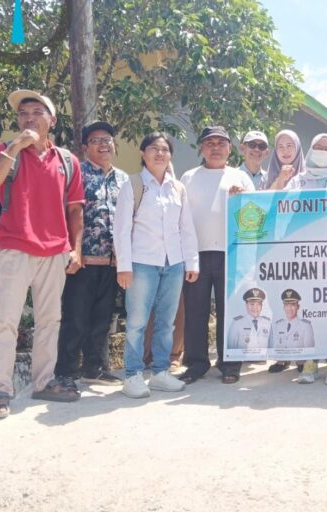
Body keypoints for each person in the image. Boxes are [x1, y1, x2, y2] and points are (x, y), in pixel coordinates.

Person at [0, 90, 84, 419]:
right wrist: (14, 147)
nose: (29, 118)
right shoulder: (0, 150)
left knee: (50, 321)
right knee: (5, 322)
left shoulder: (67, 161)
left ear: (52, 120)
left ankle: (43, 381)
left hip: (55, 251)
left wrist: (76, 249)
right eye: (24, 113)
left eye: (37, 112)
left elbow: (75, 209)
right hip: (13, 247)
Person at [113, 132, 199, 398]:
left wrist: (191, 261)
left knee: (166, 321)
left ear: (170, 155)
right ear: (143, 153)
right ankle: (132, 375)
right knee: (137, 322)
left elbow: (186, 228)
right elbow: (121, 229)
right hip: (142, 263)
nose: (159, 153)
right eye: (153, 148)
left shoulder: (177, 188)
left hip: (173, 263)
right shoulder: (133, 184)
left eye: (164, 149)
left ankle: (160, 372)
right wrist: (124, 266)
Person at [179, 126, 255, 385]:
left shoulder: (241, 177)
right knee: (195, 311)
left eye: (221, 143)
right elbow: (182, 218)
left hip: (231, 253)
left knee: (230, 311)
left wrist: (242, 199)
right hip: (196, 254)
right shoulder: (189, 177)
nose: (215, 148)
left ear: (230, 148)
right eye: (209, 143)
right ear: (201, 148)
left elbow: (254, 215)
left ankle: (230, 363)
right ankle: (196, 363)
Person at [55, 121, 128, 388]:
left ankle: (94, 368)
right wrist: (71, 250)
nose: (103, 144)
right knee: (75, 318)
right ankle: (65, 371)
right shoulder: (77, 173)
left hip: (112, 262)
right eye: (96, 140)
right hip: (81, 260)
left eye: (107, 139)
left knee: (102, 319)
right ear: (85, 147)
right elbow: (67, 212)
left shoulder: (123, 179)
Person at [283, 133, 327, 385]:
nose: (322, 150)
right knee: (307, 307)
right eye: (318, 146)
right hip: (303, 258)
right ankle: (309, 361)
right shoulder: (297, 181)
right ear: (310, 150)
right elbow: (278, 206)